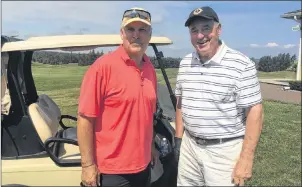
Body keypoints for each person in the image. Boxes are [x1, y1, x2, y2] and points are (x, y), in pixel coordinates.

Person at [174, 6, 264, 186]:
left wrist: (246, 158)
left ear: (218, 29)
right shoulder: (185, 63)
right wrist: (178, 139)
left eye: (206, 28)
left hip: (224, 152)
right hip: (190, 147)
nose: (200, 36)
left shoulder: (241, 64)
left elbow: (255, 111)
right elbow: (181, 102)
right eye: (194, 30)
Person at [77, 7, 158, 187]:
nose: (136, 35)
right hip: (112, 171)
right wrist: (87, 165)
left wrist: (151, 147)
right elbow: (85, 118)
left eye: (142, 30)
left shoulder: (150, 69)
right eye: (131, 29)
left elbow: (147, 115)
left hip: (143, 166)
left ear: (150, 35)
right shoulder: (103, 67)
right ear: (122, 33)